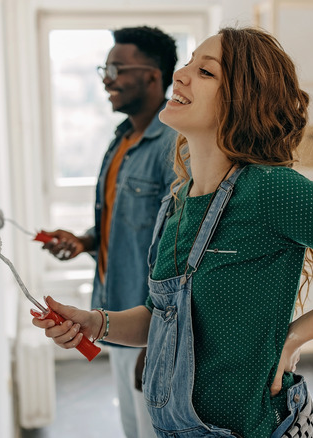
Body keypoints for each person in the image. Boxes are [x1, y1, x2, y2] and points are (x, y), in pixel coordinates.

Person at [34, 27, 313, 438]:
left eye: (205, 73)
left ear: (242, 100)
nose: (181, 75)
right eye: (187, 65)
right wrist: (95, 323)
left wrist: (293, 338)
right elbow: (161, 315)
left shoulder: (269, 189)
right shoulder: (177, 201)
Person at [39, 26, 178, 438]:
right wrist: (84, 241)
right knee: (133, 429)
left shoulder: (174, 145)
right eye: (106, 67)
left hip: (147, 324)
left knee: (154, 430)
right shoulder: (123, 138)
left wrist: (156, 341)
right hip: (112, 311)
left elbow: (179, 249)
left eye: (117, 68)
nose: (106, 78)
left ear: (153, 75)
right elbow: (125, 221)